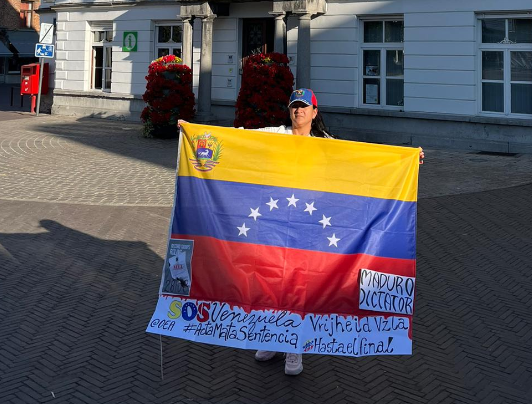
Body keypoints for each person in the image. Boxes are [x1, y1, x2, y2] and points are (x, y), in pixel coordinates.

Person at [178, 88, 423, 376]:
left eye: (304, 107)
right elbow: (241, 138)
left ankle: (294, 348)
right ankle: (270, 336)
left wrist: (406, 159)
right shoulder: (275, 134)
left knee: (298, 283)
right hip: (274, 222)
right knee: (270, 281)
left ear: (315, 113)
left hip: (311, 225)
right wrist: (193, 131)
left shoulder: (326, 144)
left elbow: (360, 160)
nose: (299, 111)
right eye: (294, 106)